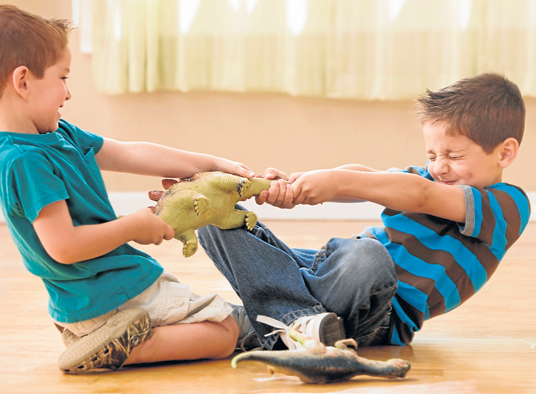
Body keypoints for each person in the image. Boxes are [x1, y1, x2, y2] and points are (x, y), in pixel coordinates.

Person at [0, 4, 267, 374]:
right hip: (109, 294)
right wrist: (134, 226)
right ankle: (125, 348)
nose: (67, 94)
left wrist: (210, 163)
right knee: (225, 332)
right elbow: (64, 246)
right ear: (22, 82)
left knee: (226, 319)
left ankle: (99, 337)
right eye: (63, 78)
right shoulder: (24, 160)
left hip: (88, 300)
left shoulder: (55, 136)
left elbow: (131, 153)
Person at [199, 73, 531, 350]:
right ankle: (296, 325)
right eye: (431, 155)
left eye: (454, 156)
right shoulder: (429, 178)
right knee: (214, 216)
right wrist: (299, 183)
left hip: (379, 311)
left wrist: (338, 181)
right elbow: (373, 178)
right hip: (329, 281)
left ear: (504, 153)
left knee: (368, 257)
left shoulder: (507, 205)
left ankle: (271, 320)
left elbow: (419, 195)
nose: (439, 167)